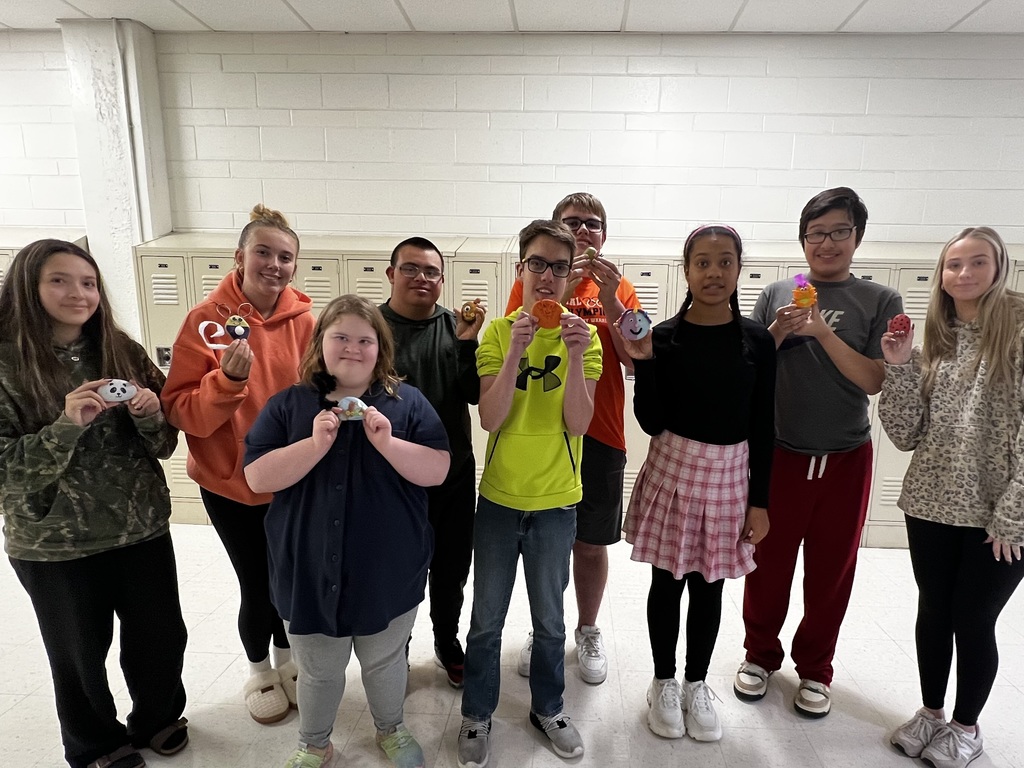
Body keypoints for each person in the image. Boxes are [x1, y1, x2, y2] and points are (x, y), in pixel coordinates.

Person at [0, 239, 188, 768]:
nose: (78, 294)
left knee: (160, 635)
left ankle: (158, 717)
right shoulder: (7, 365)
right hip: (55, 542)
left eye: (88, 283)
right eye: (59, 280)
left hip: (140, 526)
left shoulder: (120, 349)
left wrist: (151, 414)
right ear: (28, 287)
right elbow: (5, 472)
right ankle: (96, 745)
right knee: (79, 653)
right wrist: (65, 426)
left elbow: (164, 444)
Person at [243, 294, 451, 768]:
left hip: (387, 573)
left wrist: (388, 443)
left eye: (365, 340)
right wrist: (314, 446)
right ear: (321, 342)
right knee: (318, 670)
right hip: (307, 572)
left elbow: (438, 469)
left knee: (384, 661)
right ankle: (314, 743)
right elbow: (257, 477)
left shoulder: (407, 403)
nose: (352, 349)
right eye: (341, 337)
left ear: (381, 348)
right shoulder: (288, 405)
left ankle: (390, 729)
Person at [735, 187, 904, 717]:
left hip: (845, 457)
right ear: (803, 239)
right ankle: (759, 655)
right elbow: (747, 369)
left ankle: (815, 668)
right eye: (816, 233)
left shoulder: (879, 299)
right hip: (780, 454)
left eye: (839, 232)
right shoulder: (778, 291)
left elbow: (875, 380)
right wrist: (777, 333)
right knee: (766, 563)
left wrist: (822, 334)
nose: (826, 243)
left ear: (857, 236)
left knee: (832, 570)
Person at [617, 225, 775, 742]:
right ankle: (663, 682)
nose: (714, 272)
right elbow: (651, 420)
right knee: (667, 582)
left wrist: (760, 501)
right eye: (702, 262)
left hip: (729, 480)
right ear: (686, 271)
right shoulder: (663, 337)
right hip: (673, 473)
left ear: (739, 269)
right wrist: (644, 362)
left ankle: (696, 683)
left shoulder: (758, 340)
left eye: (725, 261)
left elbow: (764, 425)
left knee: (710, 587)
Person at [161, 204, 315, 725]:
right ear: (240, 256)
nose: (274, 264)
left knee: (288, 579)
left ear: (295, 266)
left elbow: (321, 392)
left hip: (290, 481)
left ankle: (288, 662)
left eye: (285, 257)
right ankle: (258, 670)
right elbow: (182, 411)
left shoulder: (306, 322)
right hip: (231, 483)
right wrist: (226, 383)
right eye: (263, 252)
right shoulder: (206, 322)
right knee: (256, 582)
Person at [458, 219, 602, 768]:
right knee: (485, 620)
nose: (547, 276)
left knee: (550, 621)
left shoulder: (585, 338)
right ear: (520, 269)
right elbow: (491, 417)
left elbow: (579, 423)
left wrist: (574, 357)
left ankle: (549, 708)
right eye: (537, 264)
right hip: (499, 499)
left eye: (559, 267)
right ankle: (477, 712)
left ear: (568, 276)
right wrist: (517, 348)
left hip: (556, 501)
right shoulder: (497, 333)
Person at [879, 227, 1024, 768]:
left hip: (998, 514)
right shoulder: (936, 345)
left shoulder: (1017, 335)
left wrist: (1014, 514)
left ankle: (966, 728)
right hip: (930, 504)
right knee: (934, 612)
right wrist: (898, 366)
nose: (964, 274)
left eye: (977, 262)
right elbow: (906, 433)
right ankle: (931, 712)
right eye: (954, 264)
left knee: (974, 619)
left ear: (999, 267)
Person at [505, 192, 640, 686]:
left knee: (590, 541)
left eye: (593, 223)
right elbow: (514, 343)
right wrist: (557, 289)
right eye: (573, 222)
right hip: (544, 433)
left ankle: (587, 629)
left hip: (601, 432)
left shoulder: (621, 287)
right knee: (546, 544)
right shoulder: (535, 279)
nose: (584, 230)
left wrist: (609, 297)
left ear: (605, 234)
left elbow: (635, 356)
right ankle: (546, 629)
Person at [380, 236, 485, 688]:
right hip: (391, 480)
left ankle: (447, 641)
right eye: (410, 268)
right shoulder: (372, 328)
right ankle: (396, 650)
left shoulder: (455, 327)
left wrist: (467, 343)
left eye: (431, 272)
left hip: (452, 475)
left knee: (451, 570)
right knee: (397, 571)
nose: (421, 278)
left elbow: (475, 395)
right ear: (391, 274)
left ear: (442, 280)